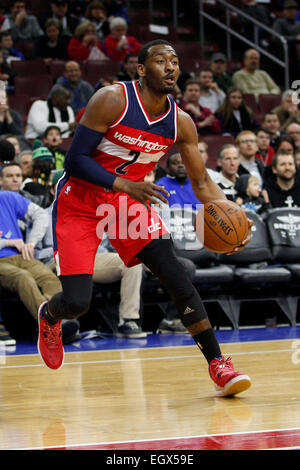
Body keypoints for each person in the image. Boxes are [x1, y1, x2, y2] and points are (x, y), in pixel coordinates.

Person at [37, 39, 252, 399]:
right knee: (77, 302)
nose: (170, 67)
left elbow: (201, 182)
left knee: (174, 272)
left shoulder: (180, 123)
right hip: (80, 202)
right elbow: (74, 161)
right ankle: (49, 316)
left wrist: (238, 219)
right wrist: (124, 183)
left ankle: (218, 365)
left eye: (175, 61)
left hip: (126, 202)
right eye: (160, 61)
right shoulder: (112, 99)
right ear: (141, 69)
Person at [0, 179, 79, 344]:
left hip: (22, 255)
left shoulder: (7, 197)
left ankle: (57, 318)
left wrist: (32, 242)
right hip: (2, 260)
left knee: (49, 277)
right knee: (23, 278)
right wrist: (8, 242)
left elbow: (41, 215)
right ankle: (51, 325)